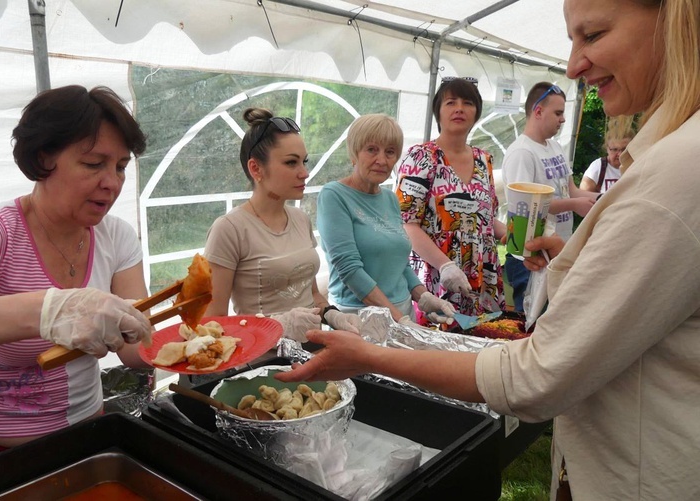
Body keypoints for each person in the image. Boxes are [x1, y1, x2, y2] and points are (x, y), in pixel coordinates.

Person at [278, 0, 700, 498]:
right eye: (373, 150)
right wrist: (427, 287)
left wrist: (504, 246)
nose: (572, 66)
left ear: (674, 17)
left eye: (593, 34)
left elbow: (536, 374)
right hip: (414, 297)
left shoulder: (671, 170)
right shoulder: (389, 173)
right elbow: (379, 247)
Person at [0, 85, 153, 469]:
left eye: (121, 166)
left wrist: (205, 344)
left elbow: (133, 347)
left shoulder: (117, 237)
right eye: (94, 164)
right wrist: (49, 310)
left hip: (83, 438)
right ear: (44, 158)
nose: (112, 182)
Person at [203, 108, 361, 340]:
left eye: (304, 162)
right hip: (262, 362)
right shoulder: (230, 229)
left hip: (313, 351)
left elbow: (312, 294)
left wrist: (334, 316)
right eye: (291, 163)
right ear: (256, 168)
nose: (304, 173)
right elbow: (212, 323)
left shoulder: (300, 219)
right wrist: (278, 325)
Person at [316, 114, 456, 326]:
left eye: (390, 152)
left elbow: (399, 262)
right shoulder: (334, 195)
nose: (381, 160)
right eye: (371, 149)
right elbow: (349, 269)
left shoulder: (390, 198)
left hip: (402, 311)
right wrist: (400, 320)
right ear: (354, 152)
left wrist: (423, 296)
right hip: (357, 318)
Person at [396, 77, 506, 320]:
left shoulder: (484, 159)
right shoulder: (421, 157)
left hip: (481, 277)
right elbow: (406, 224)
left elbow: (486, 221)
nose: (459, 108)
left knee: (480, 345)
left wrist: (515, 235)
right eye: (450, 102)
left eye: (467, 102)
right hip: (435, 277)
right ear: (438, 112)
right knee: (436, 350)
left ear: (476, 112)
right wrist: (446, 266)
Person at [501, 81, 598, 312]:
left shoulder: (555, 147)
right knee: (535, 324)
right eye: (558, 113)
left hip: (557, 252)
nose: (563, 119)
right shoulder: (522, 153)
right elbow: (526, 209)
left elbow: (571, 190)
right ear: (538, 111)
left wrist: (607, 197)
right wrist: (574, 205)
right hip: (530, 258)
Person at [579, 118, 635, 193]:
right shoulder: (598, 167)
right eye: (615, 149)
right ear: (607, 148)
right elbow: (584, 195)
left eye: (624, 149)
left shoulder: (638, 165)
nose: (620, 154)